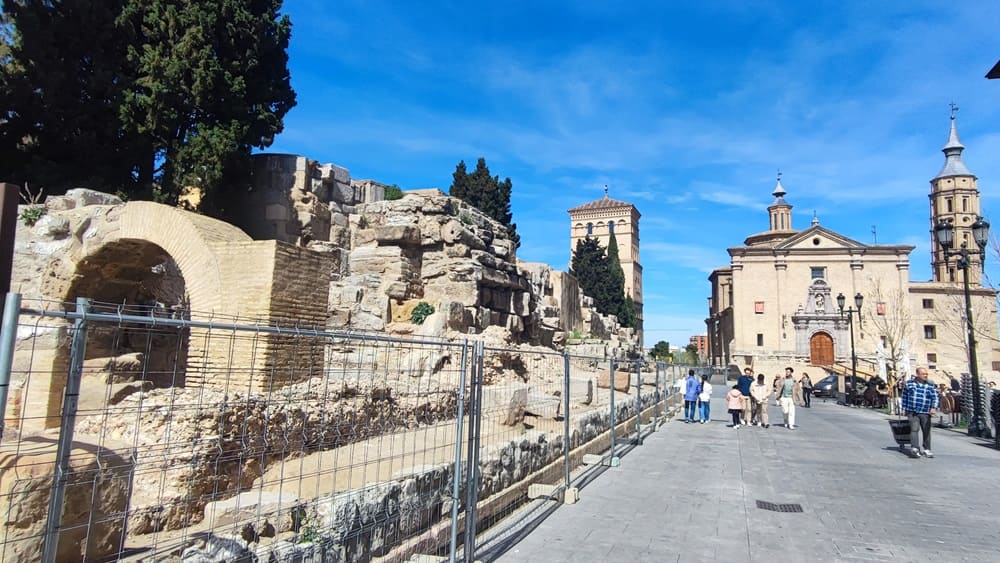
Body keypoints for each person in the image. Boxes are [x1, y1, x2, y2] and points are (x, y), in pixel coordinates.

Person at [901, 366, 939, 458]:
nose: (925, 375)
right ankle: (915, 448)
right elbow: (904, 396)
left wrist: (934, 407)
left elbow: (935, 397)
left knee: (926, 431)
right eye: (923, 374)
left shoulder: (930, 385)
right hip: (912, 411)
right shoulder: (909, 384)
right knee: (914, 429)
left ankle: (927, 449)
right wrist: (903, 408)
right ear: (917, 374)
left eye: (926, 374)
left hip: (925, 411)